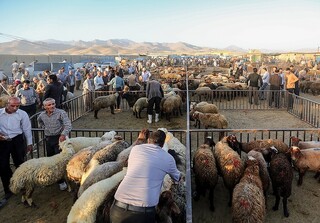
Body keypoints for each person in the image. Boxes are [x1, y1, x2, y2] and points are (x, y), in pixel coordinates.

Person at [110, 129, 181, 223]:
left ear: (148, 140)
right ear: (163, 144)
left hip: (117, 208)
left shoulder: (135, 149)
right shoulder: (168, 158)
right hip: (142, 213)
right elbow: (177, 177)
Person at [0, 97, 33, 208]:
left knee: (19, 163)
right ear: (7, 104)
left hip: (17, 140)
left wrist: (29, 143)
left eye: (17, 106)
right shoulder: (0, 113)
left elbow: (27, 128)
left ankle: (23, 186)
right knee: (2, 166)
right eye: (12, 105)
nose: (15, 108)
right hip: (3, 142)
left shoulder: (22, 114)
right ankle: (9, 189)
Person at [37, 98, 72, 191]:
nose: (52, 106)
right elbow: (39, 121)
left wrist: (63, 134)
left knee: (59, 160)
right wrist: (45, 128)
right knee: (50, 159)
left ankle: (62, 181)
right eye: (49, 105)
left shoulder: (61, 113)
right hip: (49, 138)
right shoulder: (42, 115)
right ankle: (52, 178)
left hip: (60, 139)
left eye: (53, 104)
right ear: (44, 107)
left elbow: (68, 124)